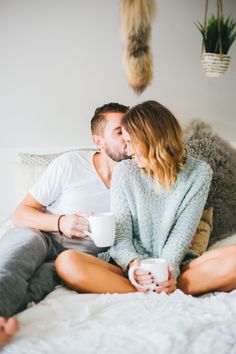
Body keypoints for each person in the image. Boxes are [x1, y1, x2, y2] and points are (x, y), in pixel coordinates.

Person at [56, 101, 236, 296]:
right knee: (66, 262)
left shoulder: (199, 172)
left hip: (176, 268)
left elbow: (181, 235)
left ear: (151, 137)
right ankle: (148, 291)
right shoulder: (125, 171)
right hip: (129, 270)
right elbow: (121, 237)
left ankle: (159, 289)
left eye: (131, 142)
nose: (128, 151)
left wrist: (168, 272)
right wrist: (134, 267)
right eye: (124, 141)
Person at [0, 102, 129, 344]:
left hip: (76, 259)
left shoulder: (136, 176)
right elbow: (21, 213)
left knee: (36, 286)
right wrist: (61, 222)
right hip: (41, 235)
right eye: (119, 131)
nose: (128, 137)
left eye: (131, 129)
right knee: (15, 260)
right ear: (99, 142)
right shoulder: (70, 164)